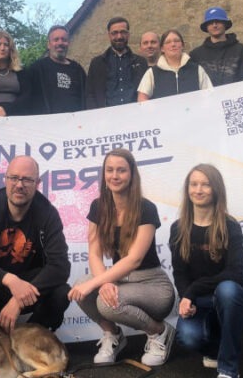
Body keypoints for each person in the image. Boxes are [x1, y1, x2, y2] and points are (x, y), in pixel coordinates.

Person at [68, 149, 175, 367]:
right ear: (104, 174)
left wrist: (99, 284)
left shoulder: (146, 208)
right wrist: (105, 282)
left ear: (132, 174)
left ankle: (160, 332)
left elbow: (134, 259)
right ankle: (114, 335)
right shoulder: (98, 207)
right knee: (81, 286)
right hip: (120, 280)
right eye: (110, 170)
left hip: (152, 284)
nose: (115, 176)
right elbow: (95, 252)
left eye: (121, 170)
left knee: (106, 302)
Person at [0, 156, 71, 332]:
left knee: (61, 293)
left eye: (27, 179)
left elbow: (61, 267)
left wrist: (18, 298)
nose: (19, 185)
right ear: (6, 179)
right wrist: (10, 280)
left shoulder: (48, 213)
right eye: (14, 178)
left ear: (37, 183)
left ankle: (33, 337)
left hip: (30, 290)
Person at [169, 164, 243, 378]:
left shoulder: (230, 226)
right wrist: (186, 298)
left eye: (206, 184)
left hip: (233, 300)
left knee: (227, 289)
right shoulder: (178, 228)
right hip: (200, 302)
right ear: (187, 188)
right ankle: (217, 348)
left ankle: (228, 369)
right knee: (189, 338)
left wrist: (192, 291)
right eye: (194, 184)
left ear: (216, 189)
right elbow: (179, 273)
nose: (198, 190)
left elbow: (236, 272)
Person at [86, 17, 148, 108]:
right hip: (106, 118)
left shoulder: (141, 62)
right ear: (109, 35)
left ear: (128, 34)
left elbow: (147, 91)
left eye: (123, 32)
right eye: (114, 33)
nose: (119, 37)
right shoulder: (97, 64)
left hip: (135, 116)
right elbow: (90, 94)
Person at [137, 30, 213, 101]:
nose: (173, 44)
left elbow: (210, 96)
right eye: (168, 42)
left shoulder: (197, 70)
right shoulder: (152, 73)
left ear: (183, 45)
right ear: (162, 48)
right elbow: (142, 98)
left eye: (176, 41)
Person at [189, 7, 243, 86]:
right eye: (210, 23)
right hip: (208, 98)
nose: (214, 25)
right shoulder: (195, 55)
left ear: (225, 24)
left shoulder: (241, 50)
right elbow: (192, 83)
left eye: (218, 21)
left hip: (235, 97)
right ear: (206, 27)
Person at [28, 25, 86, 114]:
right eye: (56, 39)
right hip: (48, 124)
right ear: (48, 44)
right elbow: (27, 98)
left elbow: (87, 97)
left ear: (68, 43)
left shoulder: (78, 69)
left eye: (64, 40)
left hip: (76, 123)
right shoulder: (37, 69)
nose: (60, 43)